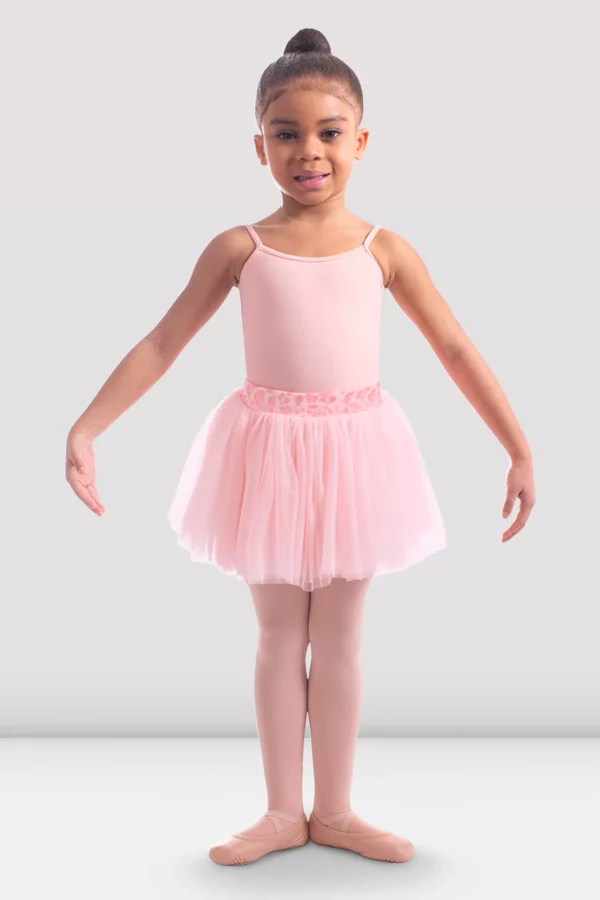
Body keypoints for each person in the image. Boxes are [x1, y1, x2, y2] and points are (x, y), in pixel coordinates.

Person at [65, 27, 535, 866]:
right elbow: (163, 342)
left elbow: (456, 350)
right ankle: (284, 812)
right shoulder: (239, 248)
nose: (307, 150)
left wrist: (518, 446)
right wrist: (88, 426)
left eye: (327, 132)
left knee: (344, 639)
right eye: (286, 133)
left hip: (358, 455)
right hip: (268, 456)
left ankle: (340, 809)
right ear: (259, 146)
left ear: (360, 141)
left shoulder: (383, 249)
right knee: (281, 637)